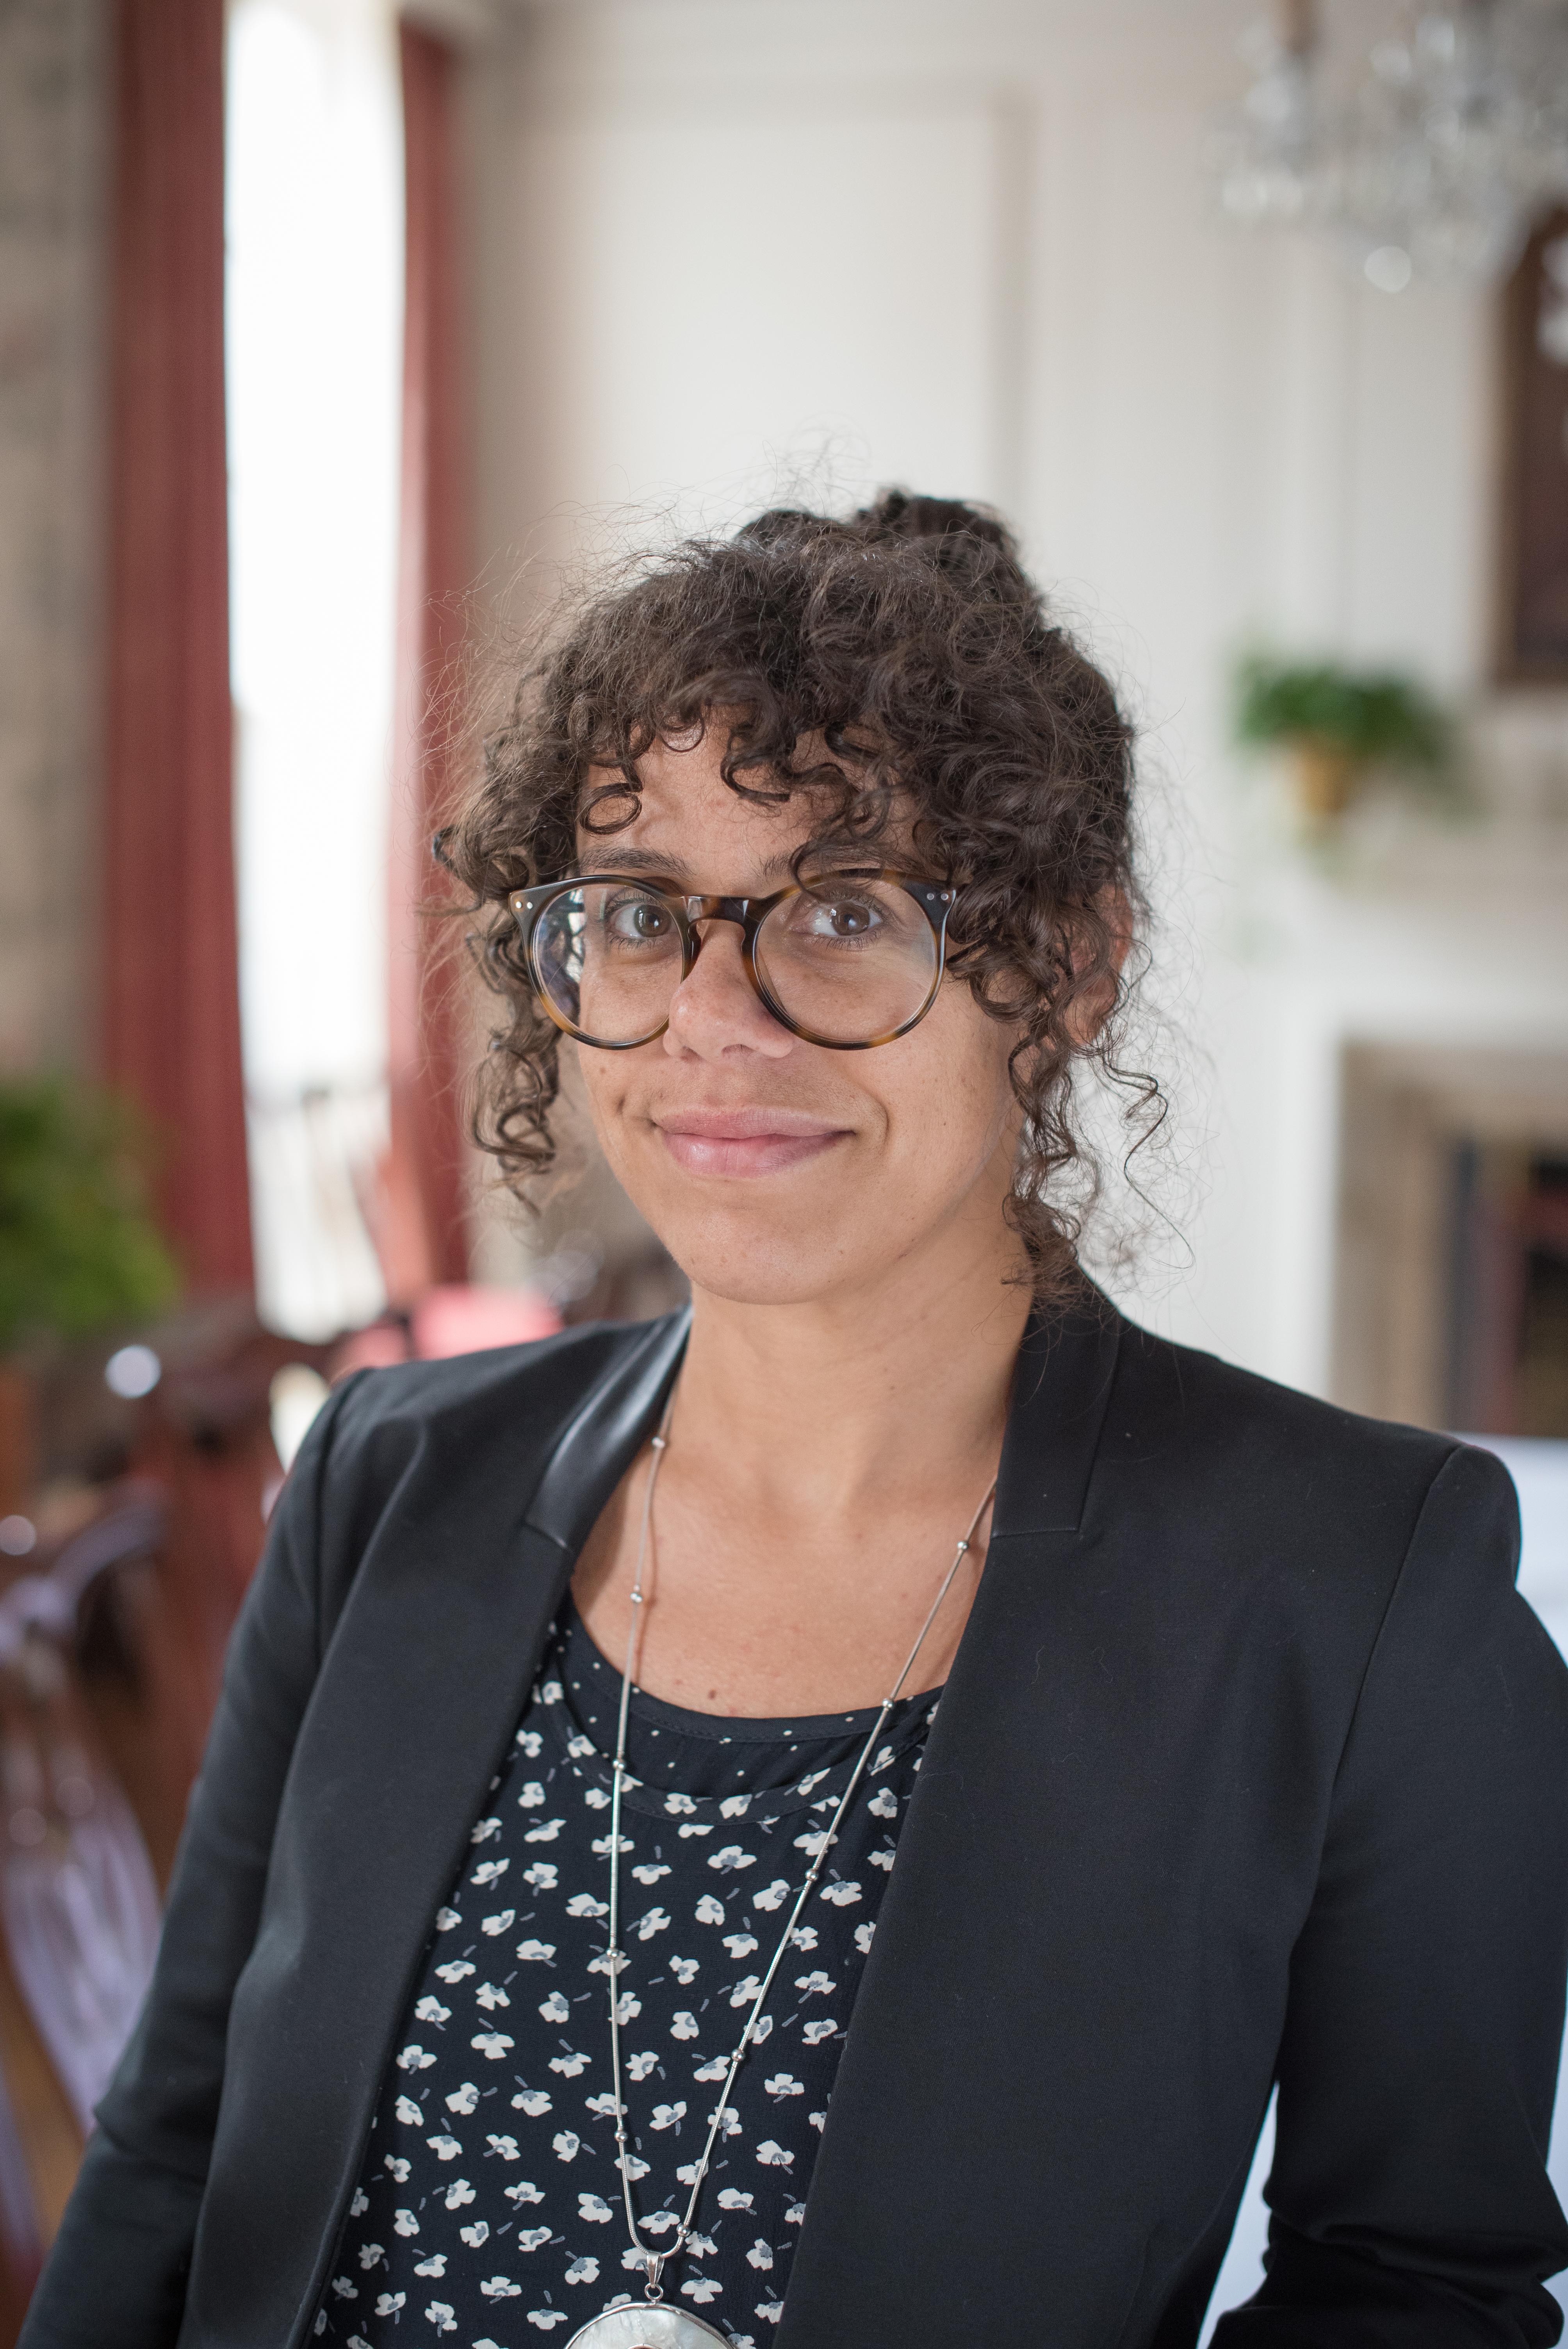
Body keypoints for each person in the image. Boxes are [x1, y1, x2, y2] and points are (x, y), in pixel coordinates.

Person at [23, 494, 1568, 2349]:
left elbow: (1417, 2288)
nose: (712, 1017)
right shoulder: (386, 1478)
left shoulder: (1356, 1583)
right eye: (637, 913)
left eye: (843, 910)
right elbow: (172, 2155)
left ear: (1065, 965)